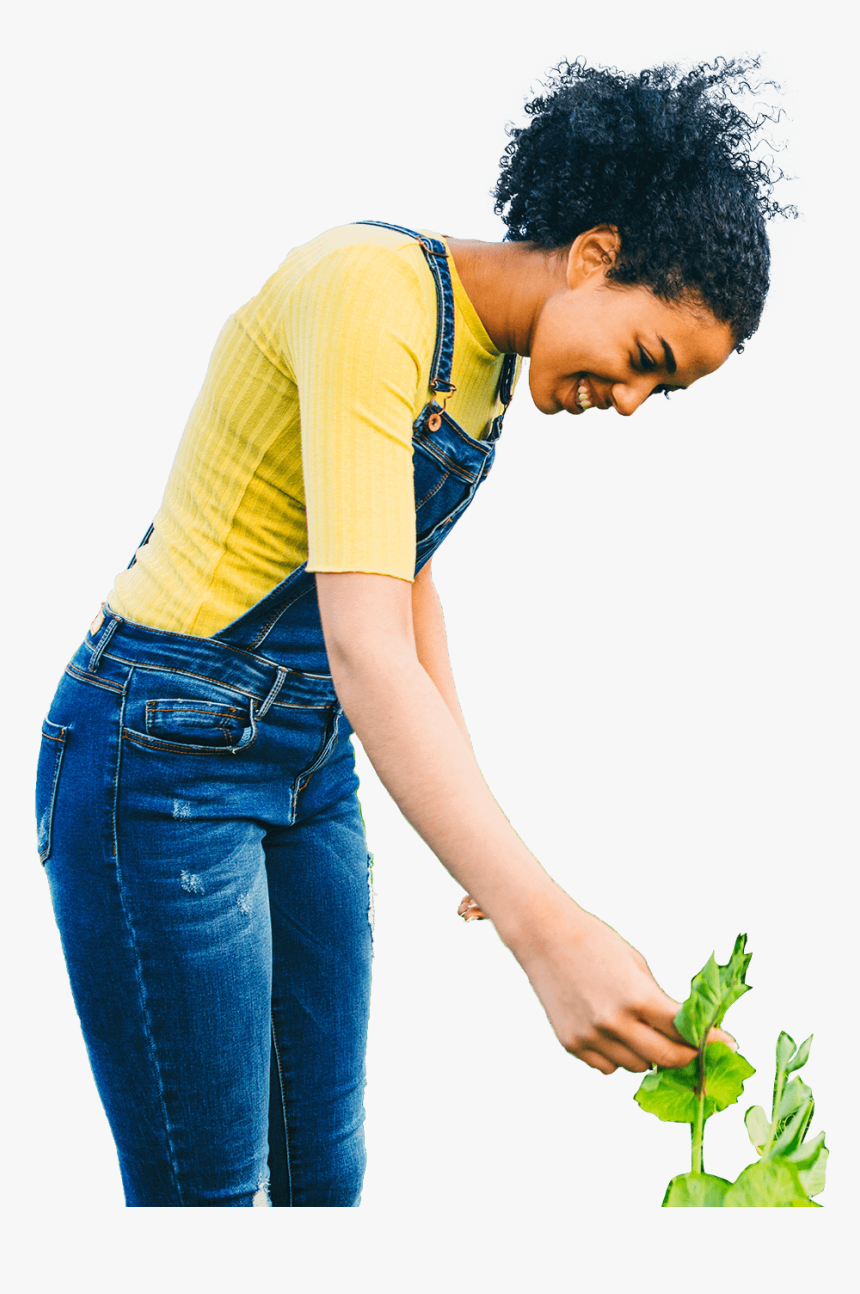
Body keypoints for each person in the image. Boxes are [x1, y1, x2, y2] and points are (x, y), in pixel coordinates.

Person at [34, 56, 793, 1207]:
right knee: (209, 1203)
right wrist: (542, 928)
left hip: (302, 765)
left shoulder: (483, 357)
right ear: (593, 255)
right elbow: (363, 643)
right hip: (160, 756)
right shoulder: (372, 295)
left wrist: (471, 820)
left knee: (321, 1175)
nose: (631, 403)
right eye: (646, 357)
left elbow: (407, 584)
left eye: (664, 391)